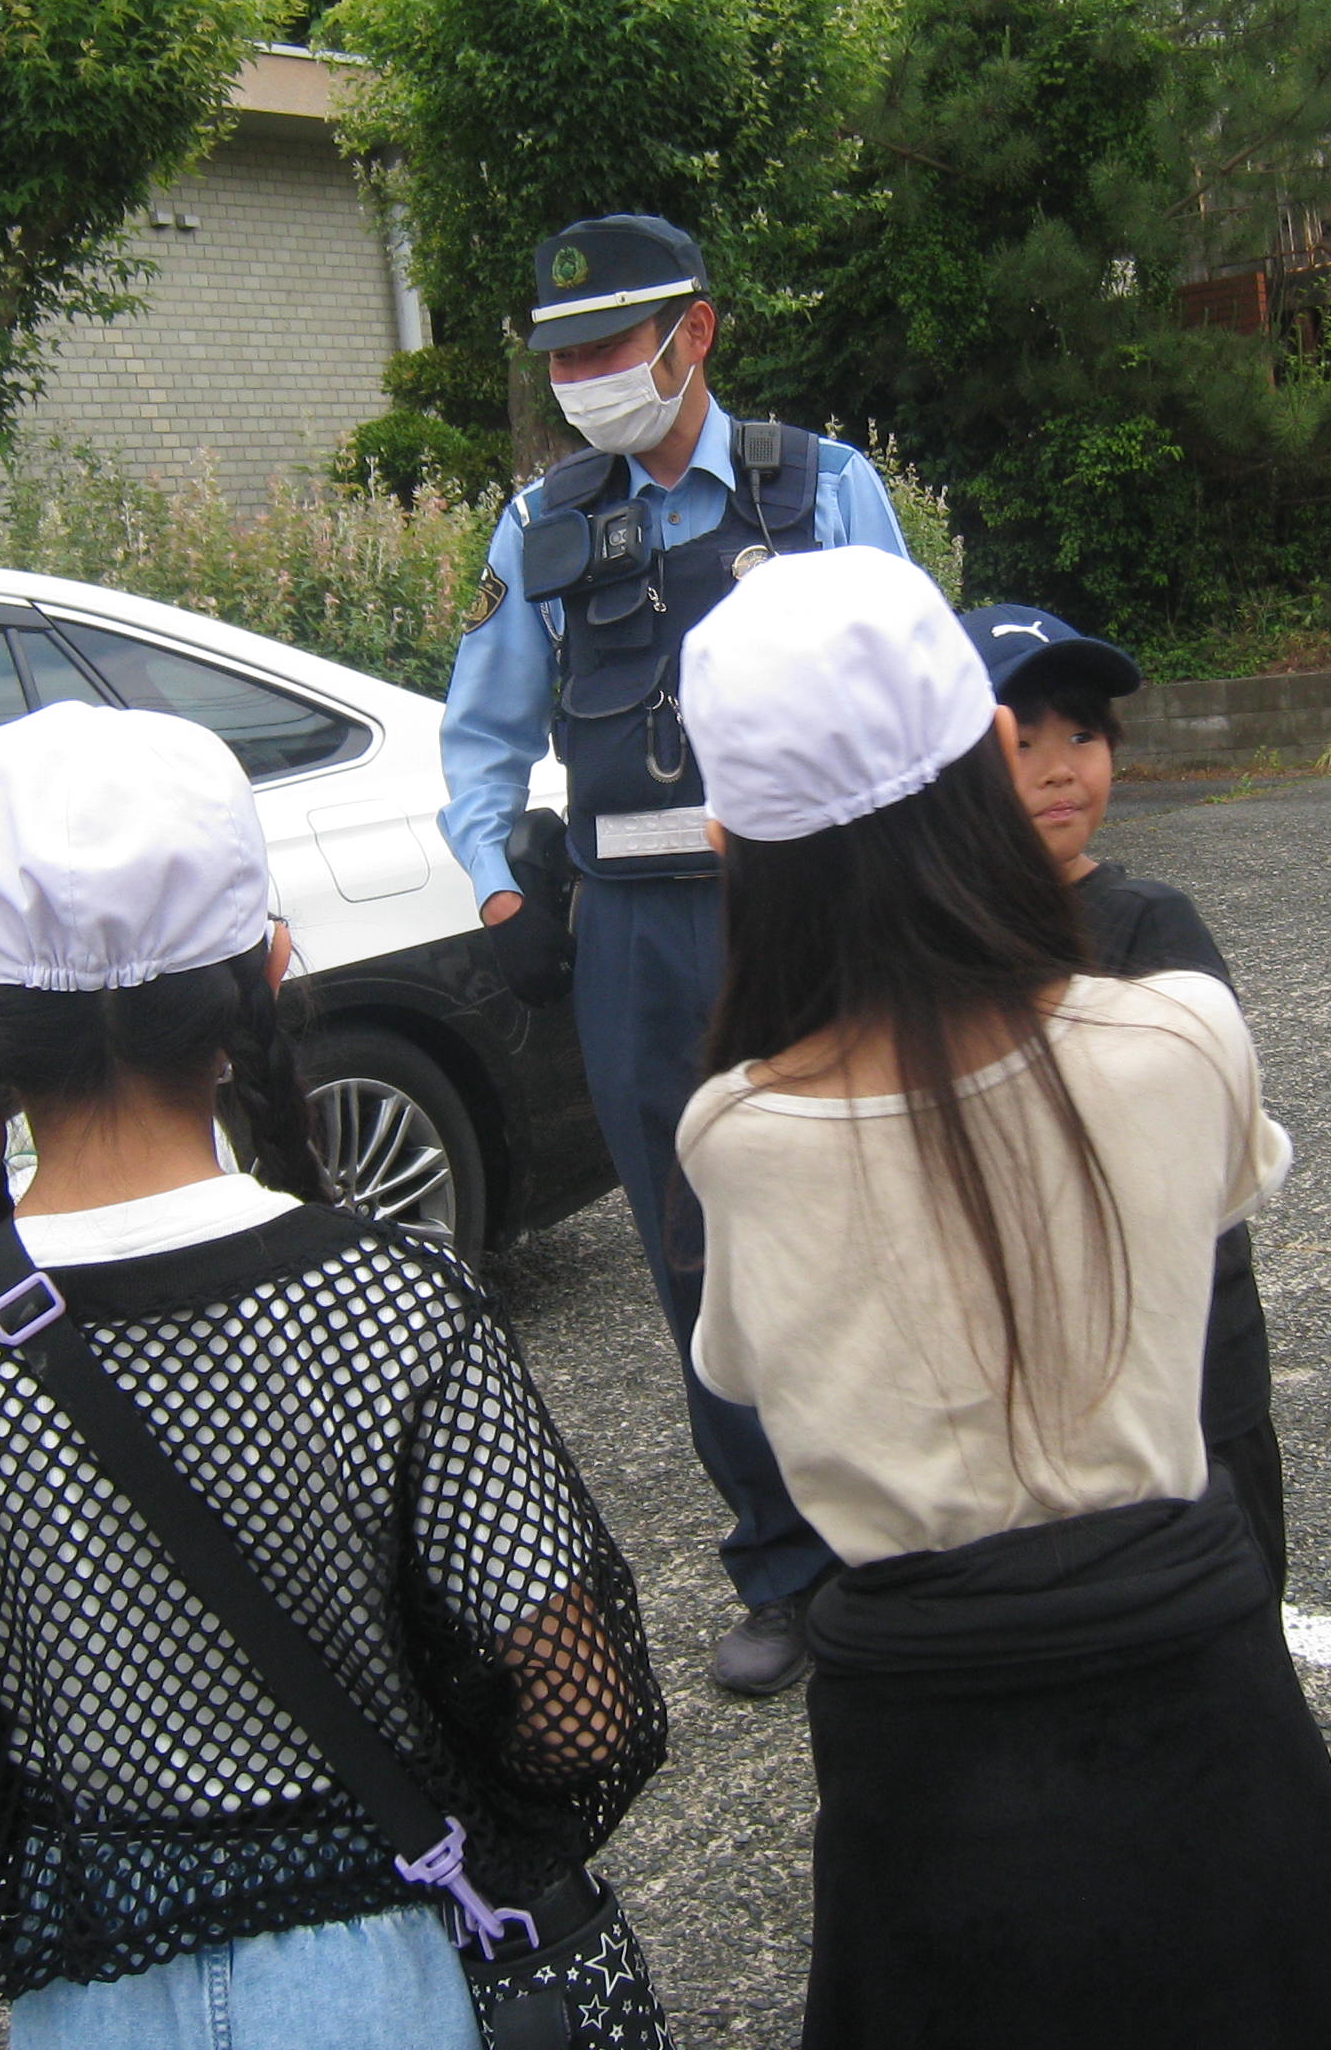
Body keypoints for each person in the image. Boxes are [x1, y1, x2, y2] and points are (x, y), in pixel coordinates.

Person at [674, 547, 1331, 2050]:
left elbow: (746, 1370)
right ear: (987, 750)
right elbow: (1222, 1189)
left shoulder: (734, 1133)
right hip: (1193, 1672)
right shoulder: (1182, 1035)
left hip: (920, 1729)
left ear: (729, 845)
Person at [0, 702, 663, 2044]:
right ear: (267, 968)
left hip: (90, 1992)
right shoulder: (393, 1304)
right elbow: (581, 1711)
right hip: (385, 1970)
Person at [439, 211, 909, 1694]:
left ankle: (910, 1533)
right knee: (693, 1247)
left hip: (811, 909)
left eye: (610, 345)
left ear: (692, 334)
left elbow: (917, 697)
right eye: (562, 354)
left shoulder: (821, 488)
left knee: (869, 1213)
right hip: (635, 937)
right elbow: (480, 740)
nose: (583, 375)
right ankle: (783, 1562)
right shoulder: (539, 525)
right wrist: (501, 895)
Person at [957, 599, 1289, 1590]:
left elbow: (1212, 1146)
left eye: (1082, 735)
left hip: (1189, 1371)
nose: (1060, 769)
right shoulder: (933, 946)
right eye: (1020, 743)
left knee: (1221, 1613)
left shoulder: (1148, 924)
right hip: (1024, 1385)